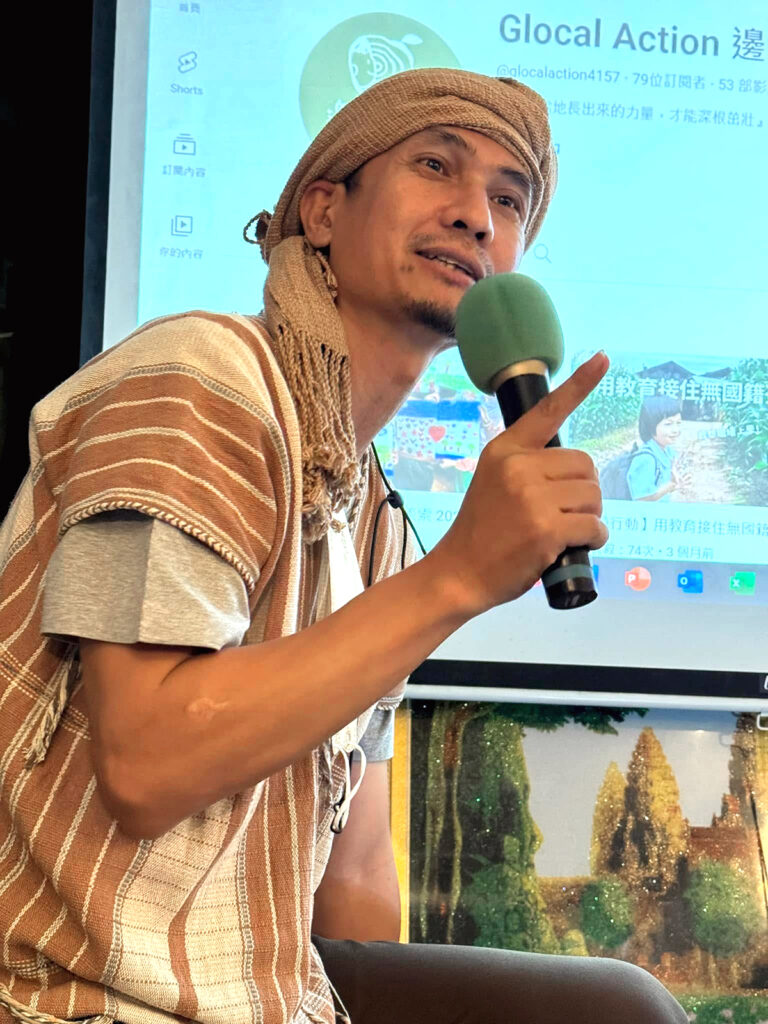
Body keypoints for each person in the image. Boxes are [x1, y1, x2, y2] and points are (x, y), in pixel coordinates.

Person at [0, 69, 687, 1024]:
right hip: (70, 995)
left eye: (508, 200)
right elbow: (146, 764)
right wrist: (459, 576)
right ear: (323, 210)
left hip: (279, 997)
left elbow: (356, 863)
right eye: (436, 166)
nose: (476, 216)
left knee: (618, 1008)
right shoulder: (197, 378)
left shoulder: (378, 523)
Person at [628, 395, 690, 501]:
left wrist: (675, 485)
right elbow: (641, 500)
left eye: (678, 423)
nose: (675, 430)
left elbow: (660, 486)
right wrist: (669, 486)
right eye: (668, 424)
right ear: (650, 426)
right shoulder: (646, 459)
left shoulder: (667, 451)